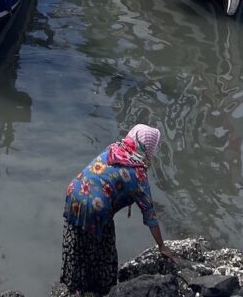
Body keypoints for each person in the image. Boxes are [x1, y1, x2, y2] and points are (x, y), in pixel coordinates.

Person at [61, 124, 174, 295]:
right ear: (148, 149)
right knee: (103, 252)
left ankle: (77, 286)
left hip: (74, 192)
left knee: (81, 244)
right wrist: (162, 246)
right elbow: (150, 214)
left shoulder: (114, 149)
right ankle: (100, 289)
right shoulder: (138, 175)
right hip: (96, 207)